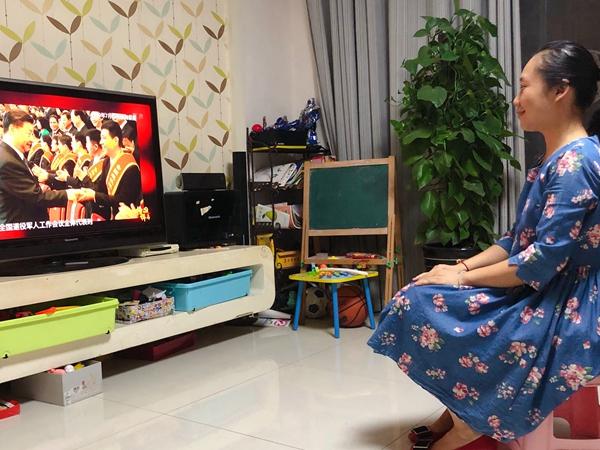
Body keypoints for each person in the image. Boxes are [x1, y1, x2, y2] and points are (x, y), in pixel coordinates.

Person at [368, 40, 600, 449]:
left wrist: (462, 279)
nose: (516, 99)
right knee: (423, 292)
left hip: (568, 304)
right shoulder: (555, 158)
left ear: (560, 90)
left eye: (524, 86)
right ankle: (460, 412)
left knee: (425, 305)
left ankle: (470, 423)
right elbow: (515, 240)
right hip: (542, 288)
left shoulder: (575, 164)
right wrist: (459, 269)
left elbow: (539, 261)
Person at [0, 110, 79, 224]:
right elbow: (37, 197)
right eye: (28, 133)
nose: (32, 139)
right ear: (13, 129)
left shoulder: (10, 154)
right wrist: (69, 194)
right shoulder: (8, 161)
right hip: (20, 226)